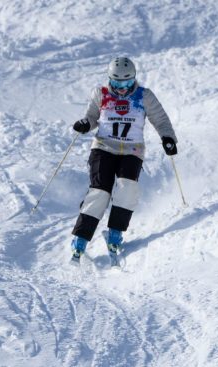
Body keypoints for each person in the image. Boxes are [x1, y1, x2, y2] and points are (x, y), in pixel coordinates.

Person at [69, 56, 178, 261]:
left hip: (132, 150)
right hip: (103, 147)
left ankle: (115, 233)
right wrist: (85, 124)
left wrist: (168, 138)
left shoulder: (144, 96)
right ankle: (81, 238)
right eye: (117, 83)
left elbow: (160, 119)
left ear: (134, 79)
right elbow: (92, 118)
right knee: (100, 192)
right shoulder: (100, 94)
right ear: (110, 79)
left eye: (127, 82)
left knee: (127, 189)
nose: (121, 88)